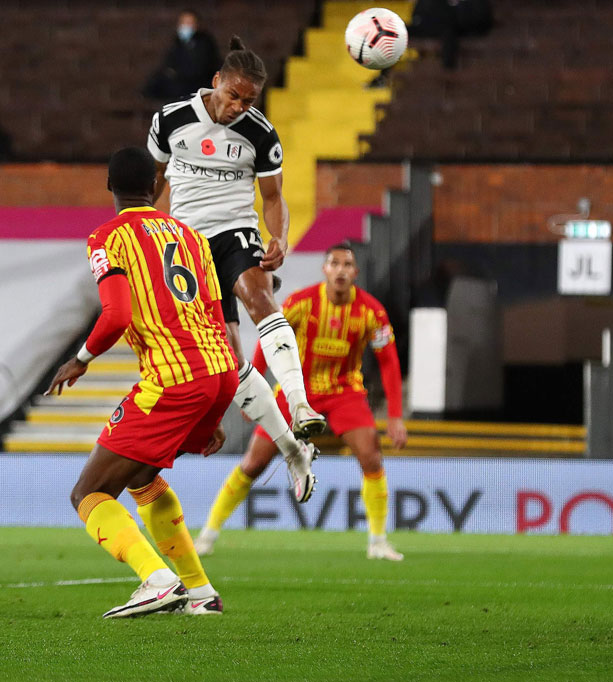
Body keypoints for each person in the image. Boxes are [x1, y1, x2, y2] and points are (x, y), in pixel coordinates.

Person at [46, 146, 238, 617]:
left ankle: (157, 580)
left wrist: (80, 359)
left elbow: (116, 315)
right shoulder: (193, 238)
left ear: (109, 187)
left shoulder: (107, 237)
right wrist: (212, 406)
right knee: (143, 477)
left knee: (88, 493)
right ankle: (200, 593)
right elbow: (217, 317)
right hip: (220, 371)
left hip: (174, 377)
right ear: (155, 187)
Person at [147, 36, 325, 500]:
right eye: (233, 96)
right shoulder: (170, 120)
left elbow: (273, 197)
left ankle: (301, 404)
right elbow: (154, 184)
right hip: (187, 246)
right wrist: (145, 236)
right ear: (216, 82)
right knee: (229, 358)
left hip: (235, 232)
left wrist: (279, 237)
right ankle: (293, 450)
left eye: (249, 100)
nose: (239, 107)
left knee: (259, 298)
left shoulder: (260, 133)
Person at [195, 242, 409, 561]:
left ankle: (378, 542)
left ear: (355, 272)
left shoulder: (371, 311)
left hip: (344, 392)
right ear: (325, 269)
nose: (340, 270)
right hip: (297, 391)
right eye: (334, 263)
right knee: (253, 464)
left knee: (372, 458)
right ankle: (207, 535)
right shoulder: (301, 302)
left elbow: (389, 361)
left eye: (347, 264)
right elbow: (268, 341)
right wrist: (252, 389)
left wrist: (395, 415)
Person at [143, 9, 221, 101]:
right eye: (183, 23)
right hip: (179, 86)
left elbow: (201, 68)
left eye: (189, 23)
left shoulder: (205, 44)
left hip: (196, 86)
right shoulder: (176, 43)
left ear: (197, 25)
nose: (186, 27)